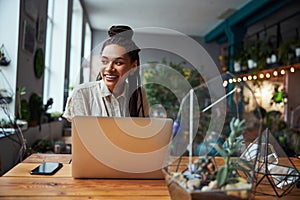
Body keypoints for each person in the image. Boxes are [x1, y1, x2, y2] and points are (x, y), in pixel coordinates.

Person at [63, 25, 149, 121]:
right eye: (105, 61)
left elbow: (142, 132)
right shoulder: (82, 94)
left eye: (118, 63)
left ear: (133, 67)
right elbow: (78, 134)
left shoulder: (138, 96)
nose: (109, 69)